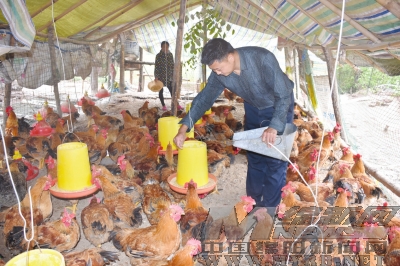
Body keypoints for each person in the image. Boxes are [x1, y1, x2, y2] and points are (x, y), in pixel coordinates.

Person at [173, 38, 294, 208]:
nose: (217, 73)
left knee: (275, 159)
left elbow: (283, 94)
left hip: (280, 104)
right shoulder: (219, 73)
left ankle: (269, 209)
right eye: (214, 70)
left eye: (218, 69)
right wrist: (183, 129)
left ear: (230, 57)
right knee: (255, 155)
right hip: (253, 106)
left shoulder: (262, 58)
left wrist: (274, 126)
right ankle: (253, 202)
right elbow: (204, 99)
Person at [154, 41, 182, 111]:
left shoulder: (170, 55)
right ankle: (163, 105)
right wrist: (156, 76)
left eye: (167, 47)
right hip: (161, 76)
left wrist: (173, 75)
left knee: (172, 91)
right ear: (161, 47)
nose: (165, 48)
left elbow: (172, 65)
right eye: (164, 47)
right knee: (161, 91)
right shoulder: (158, 56)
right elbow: (157, 66)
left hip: (169, 76)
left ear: (168, 47)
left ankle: (177, 104)